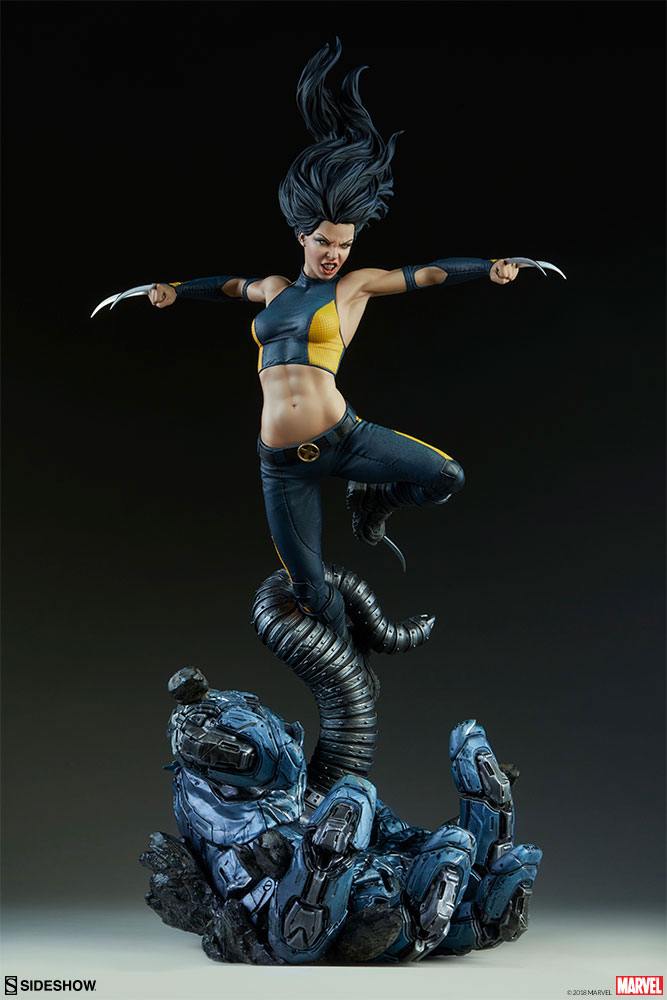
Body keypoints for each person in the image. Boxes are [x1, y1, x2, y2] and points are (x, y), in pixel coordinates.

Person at [96, 40, 554, 640]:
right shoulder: (274, 289)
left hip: (345, 437)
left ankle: (373, 501)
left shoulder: (354, 287)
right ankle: (350, 677)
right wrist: (173, 291)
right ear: (301, 236)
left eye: (344, 244)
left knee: (447, 477)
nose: (335, 254)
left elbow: (425, 274)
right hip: (281, 465)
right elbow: (230, 287)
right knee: (312, 594)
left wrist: (488, 268)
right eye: (324, 242)